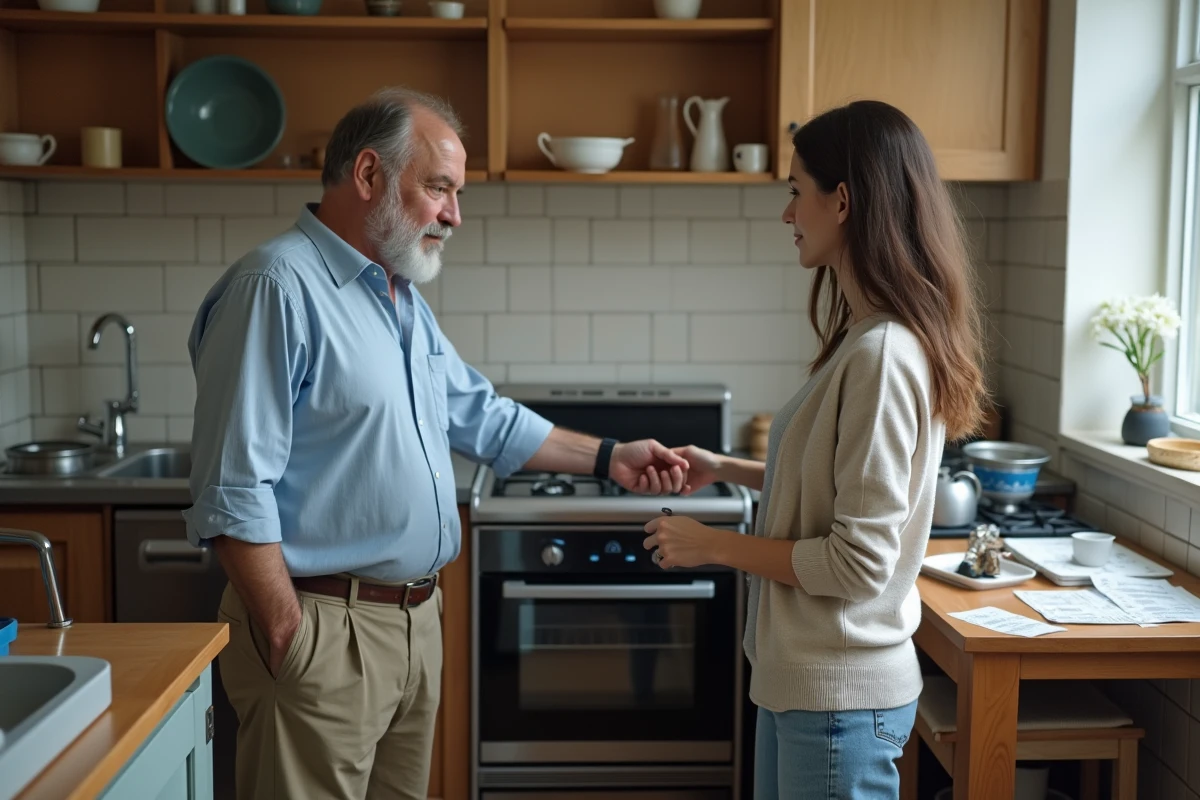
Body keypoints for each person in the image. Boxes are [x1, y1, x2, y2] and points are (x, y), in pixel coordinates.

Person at [183, 86, 689, 800]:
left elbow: (481, 415)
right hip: (327, 630)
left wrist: (611, 459)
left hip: (414, 626)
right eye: (439, 189)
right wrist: (289, 635)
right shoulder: (277, 287)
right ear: (368, 177)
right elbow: (232, 489)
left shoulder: (396, 297)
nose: (453, 214)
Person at [642, 100, 987, 799]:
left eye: (796, 192)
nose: (788, 214)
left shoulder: (884, 355)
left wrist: (713, 545)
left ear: (844, 200)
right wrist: (725, 469)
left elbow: (857, 563)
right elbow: (829, 486)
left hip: (840, 703)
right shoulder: (866, 339)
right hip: (812, 690)